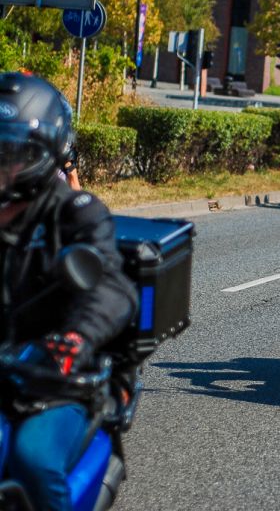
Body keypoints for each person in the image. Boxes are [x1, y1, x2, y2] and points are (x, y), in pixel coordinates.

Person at [0, 72, 137, 509]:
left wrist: (76, 338)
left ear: (40, 156)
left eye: (10, 154)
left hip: (55, 378)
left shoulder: (75, 213)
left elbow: (113, 288)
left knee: (33, 458)